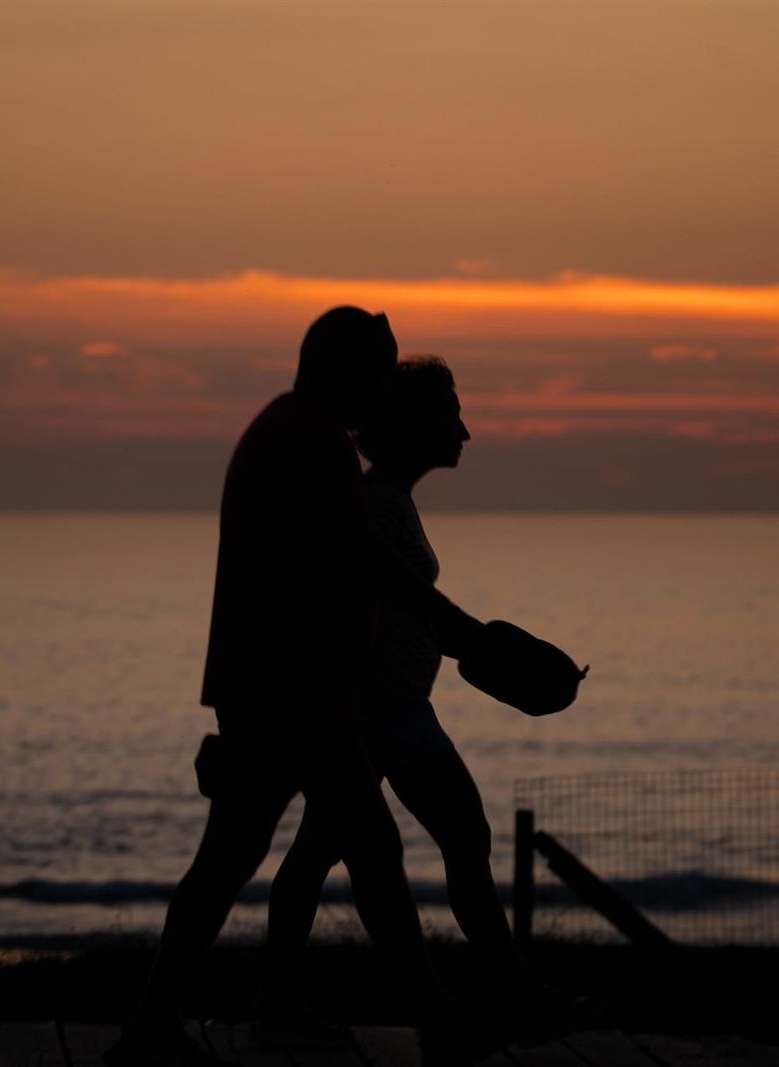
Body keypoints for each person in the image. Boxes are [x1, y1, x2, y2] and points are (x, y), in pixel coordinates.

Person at [106, 308, 493, 1067]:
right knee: (367, 853)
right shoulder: (310, 443)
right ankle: (438, 1022)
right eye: (377, 374)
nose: (382, 394)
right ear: (342, 370)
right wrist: (464, 630)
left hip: (278, 692)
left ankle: (170, 1024)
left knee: (235, 859)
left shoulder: (286, 432)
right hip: (296, 698)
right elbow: (367, 560)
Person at [255, 358, 574, 1048]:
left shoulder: (390, 499)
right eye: (451, 413)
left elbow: (411, 612)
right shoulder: (377, 503)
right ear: (413, 424)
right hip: (371, 713)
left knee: (438, 838)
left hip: (399, 710)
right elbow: (391, 601)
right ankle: (493, 995)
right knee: (349, 851)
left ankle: (504, 990)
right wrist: (487, 647)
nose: (464, 429)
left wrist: (484, 650)